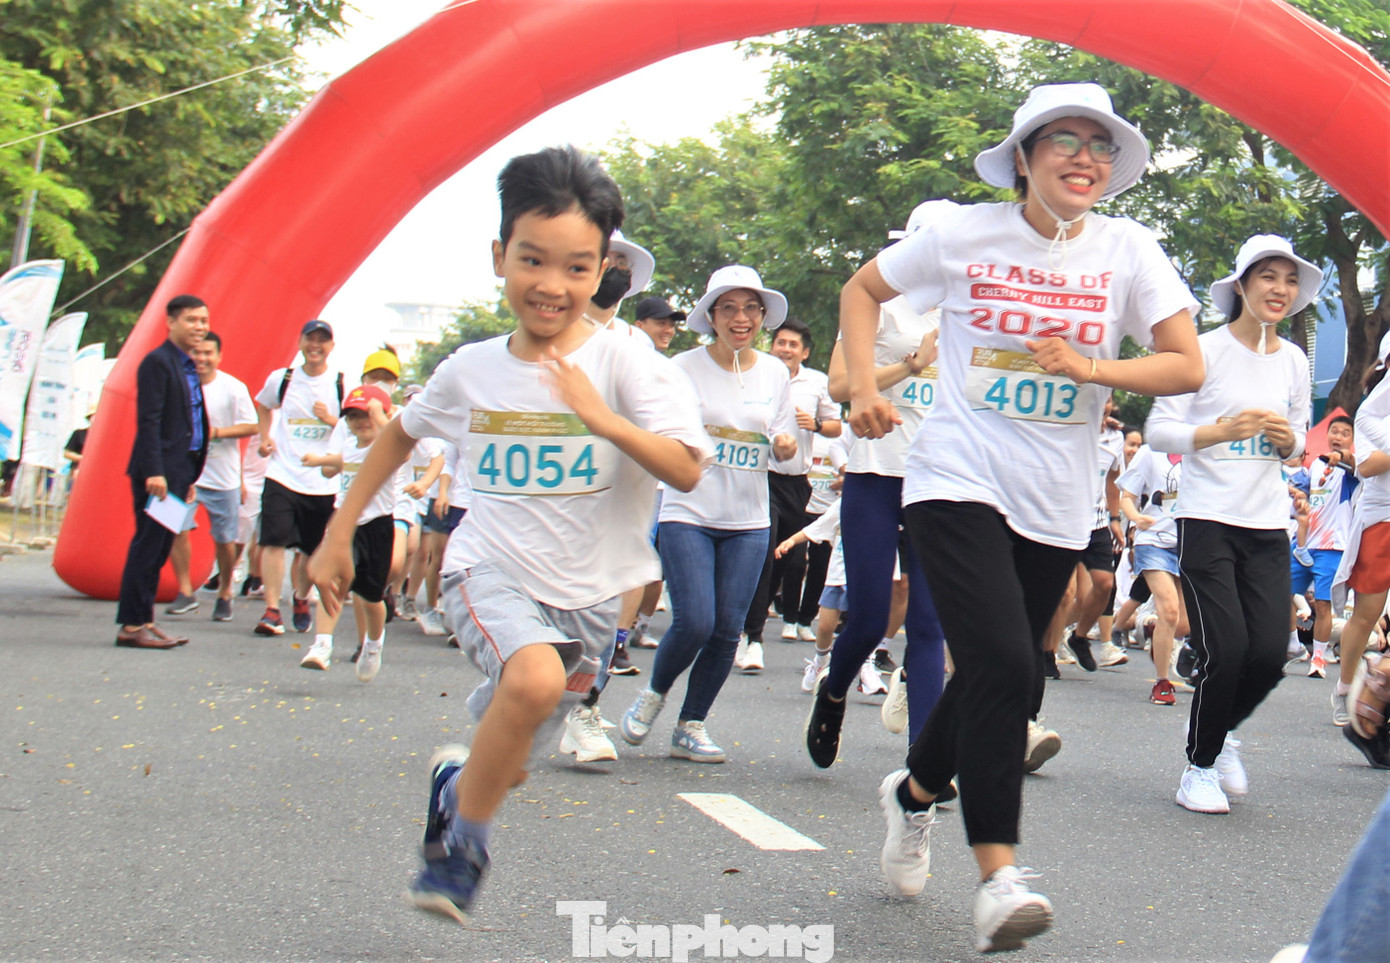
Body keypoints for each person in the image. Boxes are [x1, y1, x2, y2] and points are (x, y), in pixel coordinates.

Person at [838, 83, 1202, 953]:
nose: (1085, 159)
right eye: (1064, 142)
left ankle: (914, 793)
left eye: (1099, 146)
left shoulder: (1129, 249)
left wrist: (1090, 366)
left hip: (1056, 497)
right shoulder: (965, 232)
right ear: (1025, 159)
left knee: (1008, 675)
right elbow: (861, 287)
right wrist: (858, 384)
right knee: (1003, 659)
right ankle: (999, 875)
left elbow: (1184, 364)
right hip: (955, 477)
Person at [308, 145, 709, 923]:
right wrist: (338, 529)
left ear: (601, 272)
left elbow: (685, 470)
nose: (551, 285)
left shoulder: (630, 363)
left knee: (511, 752)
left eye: (576, 268)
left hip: (592, 595)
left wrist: (599, 416)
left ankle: (459, 788)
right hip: (487, 568)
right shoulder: (472, 368)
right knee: (530, 682)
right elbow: (395, 437)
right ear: (500, 257)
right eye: (532, 260)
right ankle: (460, 854)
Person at [1146, 234, 1318, 815]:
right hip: (1206, 518)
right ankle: (1198, 767)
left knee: (1272, 653)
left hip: (1267, 525)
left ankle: (1222, 736)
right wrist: (1222, 430)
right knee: (1229, 647)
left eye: (1290, 280)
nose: (1280, 289)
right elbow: (1159, 430)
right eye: (1268, 276)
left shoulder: (1295, 360)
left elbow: (1299, 446)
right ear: (1241, 285)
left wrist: (1286, 439)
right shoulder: (1204, 350)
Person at [620, 264, 797, 763]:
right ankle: (653, 695)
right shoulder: (681, 369)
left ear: (762, 317)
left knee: (726, 630)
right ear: (711, 316)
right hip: (688, 510)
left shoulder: (775, 372)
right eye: (729, 308)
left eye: (750, 309)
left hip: (749, 520)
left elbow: (783, 444)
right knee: (695, 620)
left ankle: (690, 725)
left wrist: (784, 445)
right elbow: (659, 433)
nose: (740, 318)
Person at [806, 200, 958, 770]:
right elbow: (843, 386)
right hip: (874, 477)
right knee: (869, 617)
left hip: (938, 485)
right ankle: (835, 689)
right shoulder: (877, 305)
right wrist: (910, 367)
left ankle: (926, 763)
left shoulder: (965, 316)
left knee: (927, 625)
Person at [739, 316, 842, 660]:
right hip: (760, 475)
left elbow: (835, 427)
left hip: (798, 481)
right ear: (772, 345)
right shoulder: (758, 373)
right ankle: (752, 638)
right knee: (763, 553)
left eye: (793, 344)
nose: (786, 349)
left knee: (787, 555)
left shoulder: (817, 383)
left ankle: (754, 613)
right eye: (781, 342)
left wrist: (813, 424)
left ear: (805, 352)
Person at [115, 294, 212, 649]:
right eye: (192, 320)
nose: (200, 327)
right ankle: (130, 626)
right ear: (171, 322)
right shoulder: (157, 362)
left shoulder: (185, 364)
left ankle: (144, 619)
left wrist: (188, 476)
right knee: (148, 545)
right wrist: (155, 472)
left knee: (159, 549)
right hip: (159, 475)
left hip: (179, 472)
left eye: (204, 321)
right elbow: (149, 420)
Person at [299, 385, 403, 679]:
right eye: (353, 416)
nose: (361, 421)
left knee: (371, 597)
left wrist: (380, 416)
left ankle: (373, 643)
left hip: (377, 525)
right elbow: (337, 464)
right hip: (344, 523)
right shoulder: (348, 445)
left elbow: (400, 447)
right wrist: (319, 461)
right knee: (330, 580)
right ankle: (321, 645)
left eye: (367, 415)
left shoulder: (388, 445)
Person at [252, 320, 344, 636]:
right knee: (273, 541)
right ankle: (271, 610)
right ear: (301, 342)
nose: (315, 346)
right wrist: (266, 437)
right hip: (282, 473)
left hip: (322, 481)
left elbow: (354, 429)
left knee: (310, 550)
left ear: (331, 346)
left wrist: (330, 419)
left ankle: (301, 597)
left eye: (322, 340)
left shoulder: (340, 384)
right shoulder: (284, 379)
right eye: (310, 339)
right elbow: (263, 404)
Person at [165, 332, 258, 621]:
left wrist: (215, 433)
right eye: (196, 353)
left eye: (208, 353)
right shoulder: (176, 383)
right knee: (172, 527)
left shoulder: (233, 387)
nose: (201, 359)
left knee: (225, 539)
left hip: (222, 478)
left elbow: (251, 426)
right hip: (182, 475)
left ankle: (225, 591)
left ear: (218, 356)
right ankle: (185, 591)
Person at [1337, 331, 1390, 765]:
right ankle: (1345, 689)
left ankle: (1376, 695)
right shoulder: (1372, 414)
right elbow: (1367, 464)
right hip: (1380, 517)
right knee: (1366, 613)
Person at [1117, 444, 1189, 705]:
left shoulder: (1202, 448)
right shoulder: (1150, 452)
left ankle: (1161, 642)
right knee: (1168, 610)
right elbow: (1126, 496)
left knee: (1182, 624)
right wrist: (1137, 517)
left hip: (1188, 544)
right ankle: (1162, 682)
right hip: (1153, 541)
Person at [1289, 414, 1358, 685]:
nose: (1338, 436)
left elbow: (1353, 466)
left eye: (1344, 433)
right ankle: (1292, 645)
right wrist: (1299, 497)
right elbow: (1304, 493)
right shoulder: (1315, 466)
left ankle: (1318, 656)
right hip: (1304, 543)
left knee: (1323, 603)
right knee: (1282, 591)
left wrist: (1342, 459)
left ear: (1352, 440)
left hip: (1333, 546)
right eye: (1334, 431)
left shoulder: (1352, 470)